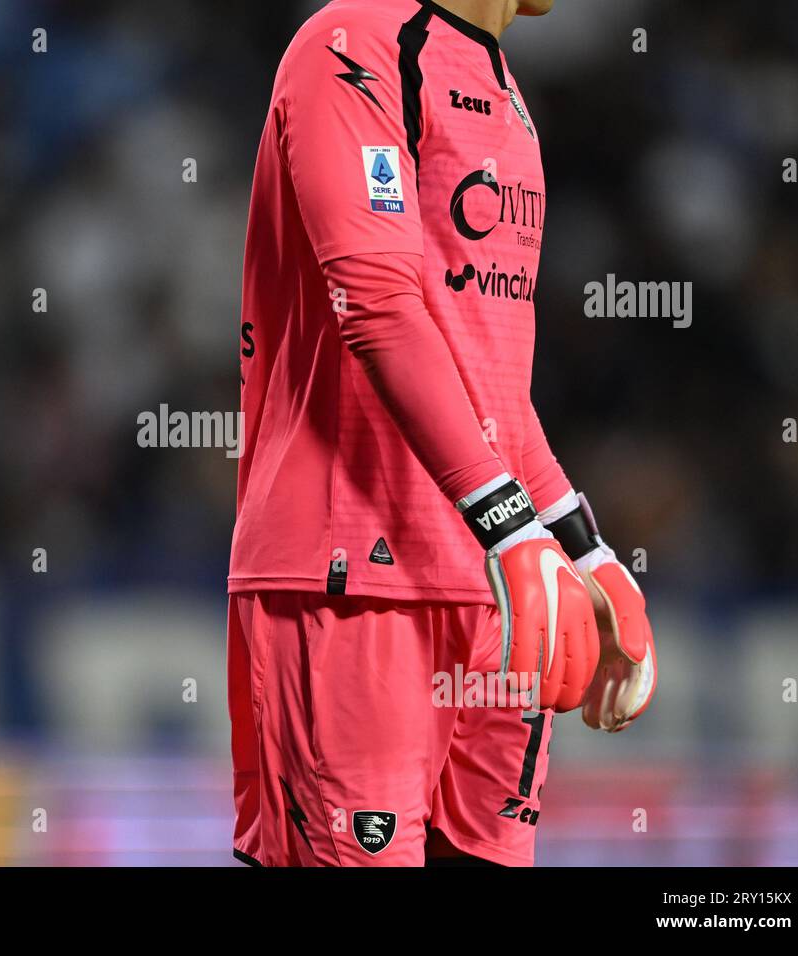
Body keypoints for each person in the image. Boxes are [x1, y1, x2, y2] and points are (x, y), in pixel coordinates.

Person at [229, 0, 658, 867]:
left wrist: (580, 546)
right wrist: (510, 525)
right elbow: (377, 305)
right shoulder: (350, 43)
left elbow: (491, 381)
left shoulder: (504, 86)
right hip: (353, 576)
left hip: (498, 588)